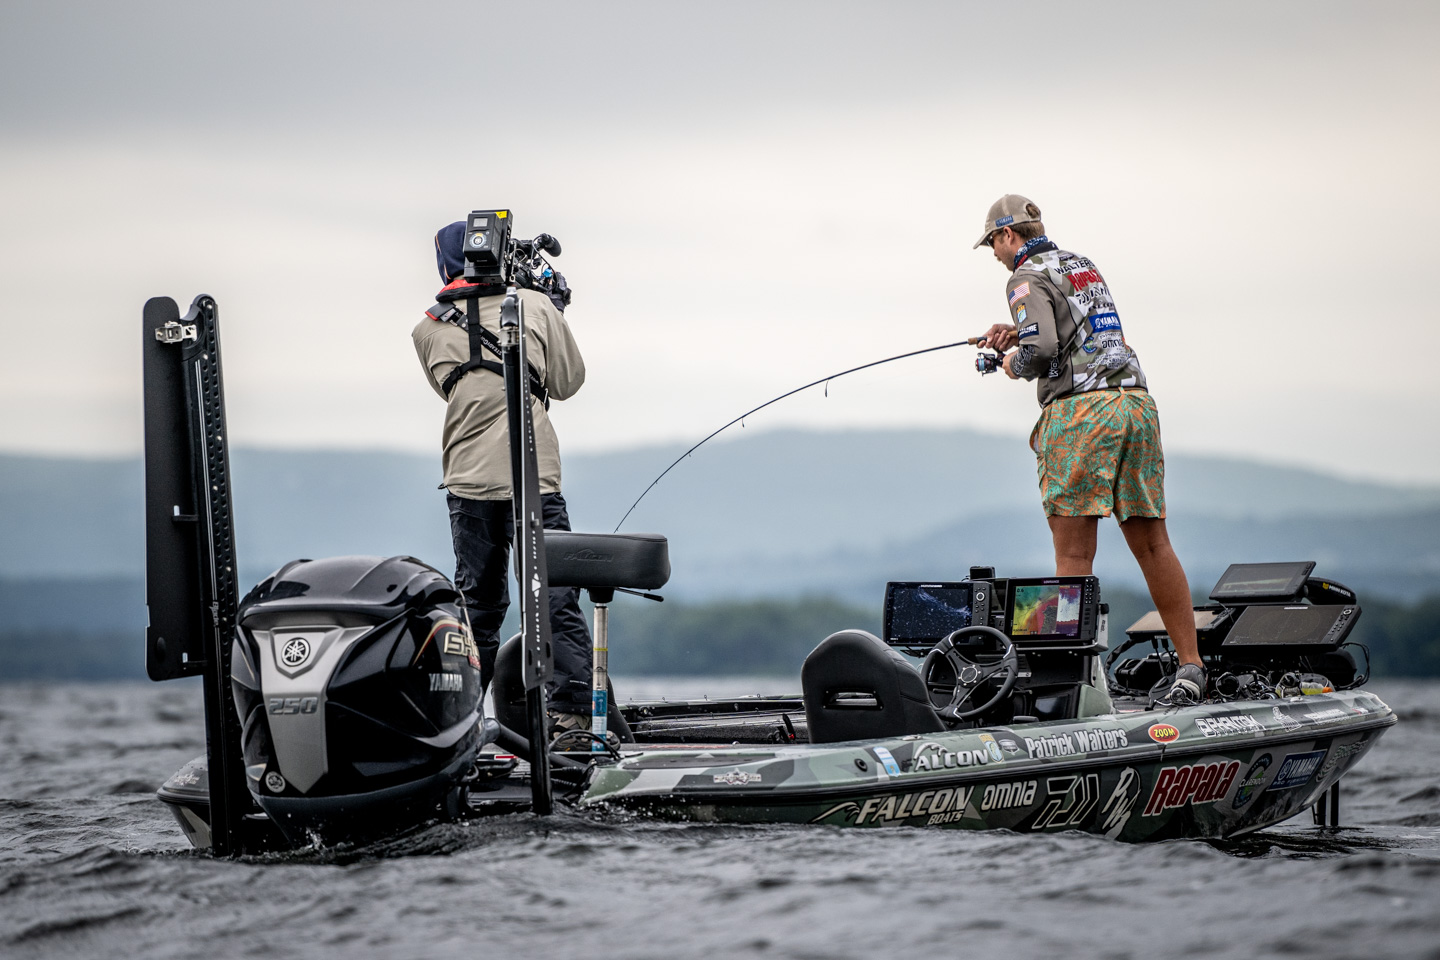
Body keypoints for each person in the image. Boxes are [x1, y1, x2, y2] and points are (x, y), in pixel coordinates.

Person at [974, 195, 1205, 705]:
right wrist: (1019, 331)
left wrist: (1010, 362)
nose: (993, 252)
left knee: (1074, 551)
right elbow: (1072, 332)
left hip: (1082, 416)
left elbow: (1041, 353)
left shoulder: (1021, 277)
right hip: (1136, 406)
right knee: (1153, 545)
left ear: (1009, 235)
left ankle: (1069, 685)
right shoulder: (1082, 265)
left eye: (993, 241)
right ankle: (1191, 666)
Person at [412, 220, 598, 742]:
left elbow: (452, 391)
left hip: (467, 478)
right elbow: (568, 382)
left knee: (478, 605)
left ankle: (463, 719)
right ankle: (573, 718)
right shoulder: (533, 308)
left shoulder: (425, 329)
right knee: (554, 596)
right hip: (534, 477)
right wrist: (550, 309)